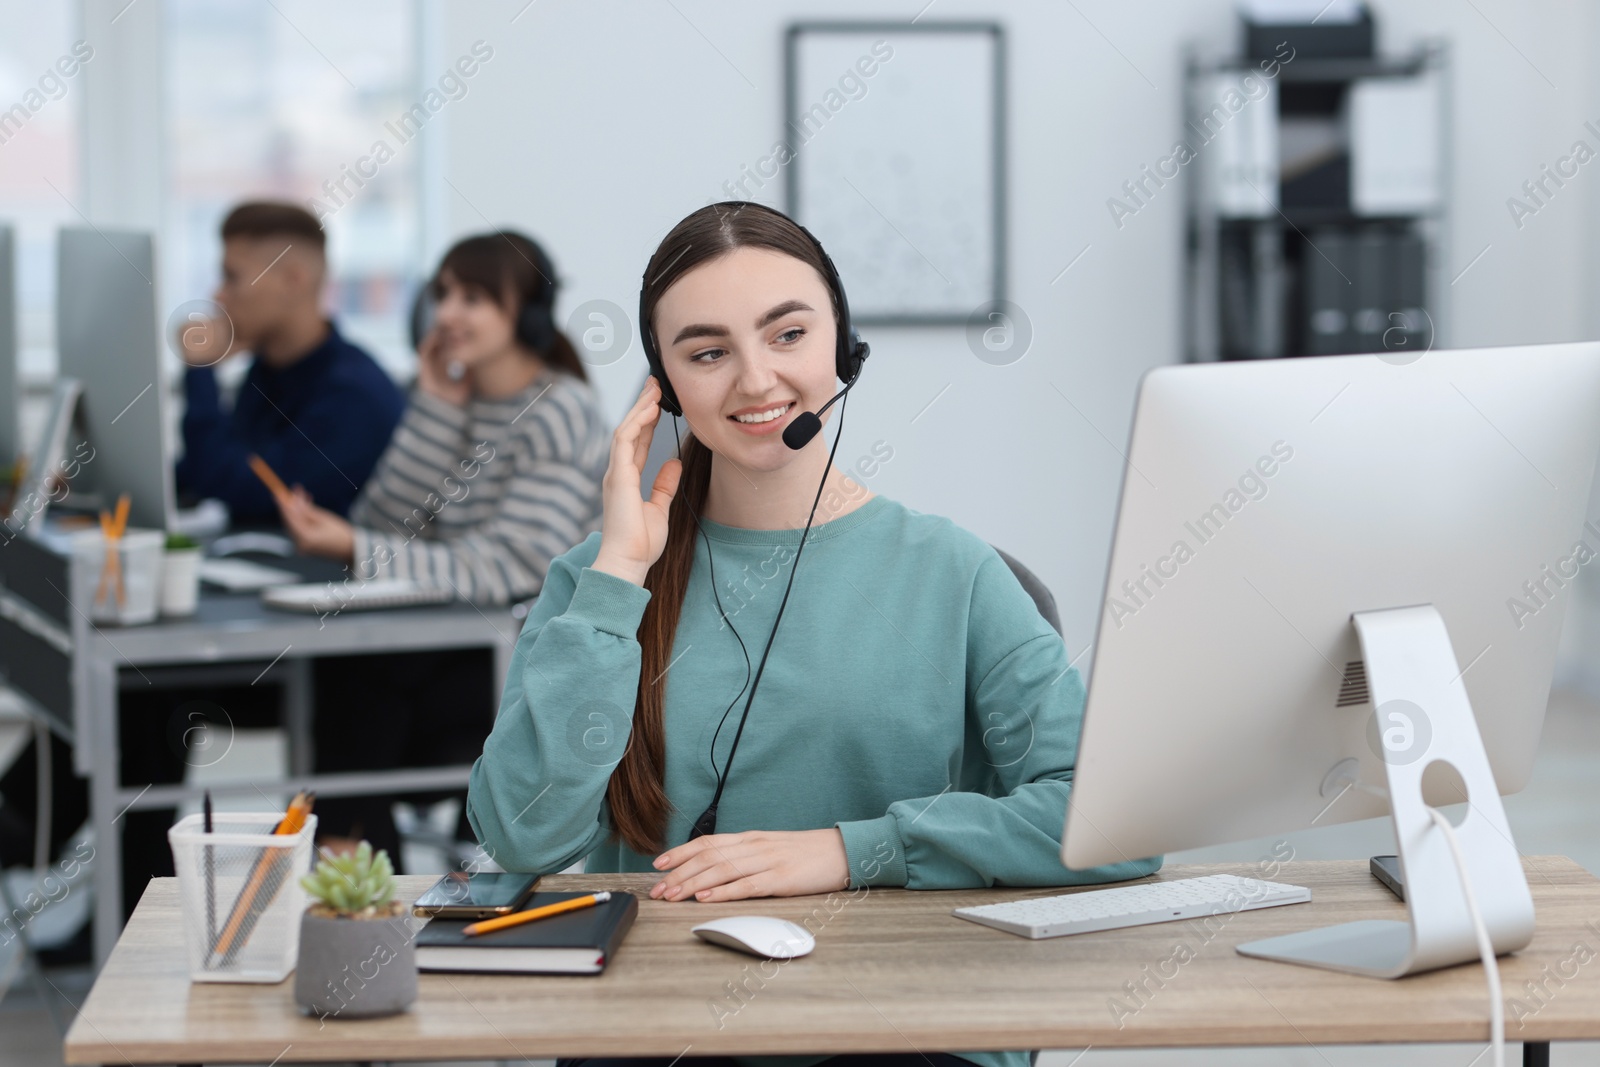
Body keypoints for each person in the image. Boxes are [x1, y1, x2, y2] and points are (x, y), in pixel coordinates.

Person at [466, 203, 1159, 1067]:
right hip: (662, 1026)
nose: (756, 381)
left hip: (899, 1027)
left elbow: (1110, 824)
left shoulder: (955, 571)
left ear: (844, 347)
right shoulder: (599, 580)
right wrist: (617, 579)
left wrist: (853, 849)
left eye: (787, 334)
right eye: (708, 352)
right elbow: (519, 836)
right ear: (666, 386)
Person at [278, 230, 608, 866]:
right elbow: (382, 521)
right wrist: (433, 409)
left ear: (528, 316)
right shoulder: (454, 396)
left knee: (357, 683)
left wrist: (355, 546)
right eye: (443, 294)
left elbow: (513, 565)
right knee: (346, 675)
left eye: (475, 298)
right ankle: (360, 874)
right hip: (449, 640)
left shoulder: (557, 412)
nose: (449, 314)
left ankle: (355, 874)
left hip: (522, 650)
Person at [175, 201, 404, 525]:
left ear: (293, 281)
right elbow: (198, 471)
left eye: (232, 278)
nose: (219, 295)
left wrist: (200, 369)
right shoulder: (269, 370)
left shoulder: (354, 394)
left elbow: (245, 492)